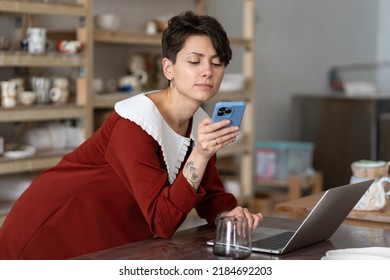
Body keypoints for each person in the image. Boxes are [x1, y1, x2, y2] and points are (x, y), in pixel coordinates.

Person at [0, 11, 263, 260]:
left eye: (217, 63)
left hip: (109, 244)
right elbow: (163, 222)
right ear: (168, 68)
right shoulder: (134, 123)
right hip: (50, 234)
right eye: (194, 61)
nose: (208, 71)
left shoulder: (199, 124)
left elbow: (210, 194)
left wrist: (228, 214)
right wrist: (201, 153)